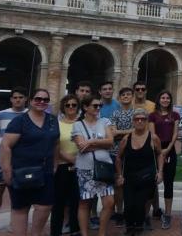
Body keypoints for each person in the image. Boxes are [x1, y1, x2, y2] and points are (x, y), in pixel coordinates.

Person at [0, 89, 59, 236]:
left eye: (45, 100)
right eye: (38, 99)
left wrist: (55, 164)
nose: (42, 102)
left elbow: (56, 143)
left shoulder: (52, 120)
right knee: (21, 207)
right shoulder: (20, 121)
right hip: (21, 171)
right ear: (31, 101)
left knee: (45, 206)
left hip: (45, 171)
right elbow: (6, 145)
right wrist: (7, 170)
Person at [0, 87, 28, 236]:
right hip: (1, 160)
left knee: (18, 193)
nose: (18, 100)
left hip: (21, 161)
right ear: (11, 99)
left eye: (20, 97)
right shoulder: (2, 114)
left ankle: (13, 223)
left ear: (26, 99)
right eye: (15, 97)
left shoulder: (30, 115)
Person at [116, 108, 164, 235]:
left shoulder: (153, 138)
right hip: (129, 178)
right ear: (133, 121)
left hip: (146, 178)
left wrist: (160, 172)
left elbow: (160, 154)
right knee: (129, 207)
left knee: (139, 206)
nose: (140, 121)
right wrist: (120, 175)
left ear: (147, 121)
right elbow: (118, 157)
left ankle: (138, 229)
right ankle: (130, 228)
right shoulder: (126, 139)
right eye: (137, 119)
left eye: (143, 119)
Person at [72, 95, 115, 236]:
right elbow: (81, 148)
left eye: (99, 106)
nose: (98, 108)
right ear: (85, 107)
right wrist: (100, 143)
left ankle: (101, 233)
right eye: (95, 106)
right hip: (85, 169)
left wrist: (90, 142)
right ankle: (85, 234)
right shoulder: (78, 125)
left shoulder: (105, 121)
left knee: (109, 202)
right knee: (85, 202)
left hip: (104, 167)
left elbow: (110, 142)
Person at [148, 90, 180, 230]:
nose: (165, 100)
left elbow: (175, 134)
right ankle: (149, 213)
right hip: (156, 149)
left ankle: (167, 214)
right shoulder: (152, 115)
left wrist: (168, 150)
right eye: (163, 97)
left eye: (168, 98)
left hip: (169, 149)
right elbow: (153, 134)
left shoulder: (175, 115)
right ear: (159, 99)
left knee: (169, 182)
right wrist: (160, 151)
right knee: (152, 182)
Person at [51, 94, 81, 236]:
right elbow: (54, 145)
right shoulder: (56, 123)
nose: (70, 107)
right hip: (62, 165)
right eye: (67, 105)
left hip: (80, 167)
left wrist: (78, 161)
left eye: (74, 105)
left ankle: (75, 229)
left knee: (77, 201)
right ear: (63, 107)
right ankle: (55, 231)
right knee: (58, 202)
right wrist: (70, 158)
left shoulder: (82, 123)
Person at [109, 87, 135, 228]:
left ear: (132, 97)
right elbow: (112, 133)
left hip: (132, 151)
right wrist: (128, 132)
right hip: (116, 151)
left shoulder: (136, 113)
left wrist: (120, 132)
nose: (126, 96)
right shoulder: (115, 113)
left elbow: (137, 130)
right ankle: (119, 211)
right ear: (119, 98)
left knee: (130, 183)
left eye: (128, 94)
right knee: (119, 183)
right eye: (123, 95)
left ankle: (129, 211)